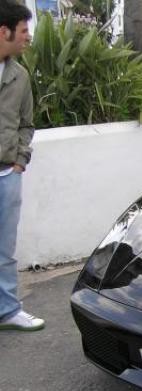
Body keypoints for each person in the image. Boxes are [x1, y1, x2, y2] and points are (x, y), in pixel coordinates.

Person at [0, 0, 44, 332]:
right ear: (5, 31)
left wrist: (20, 160)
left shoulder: (20, 75)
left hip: (6, 175)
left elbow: (27, 124)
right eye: (24, 30)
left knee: (5, 250)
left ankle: (9, 310)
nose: (28, 37)